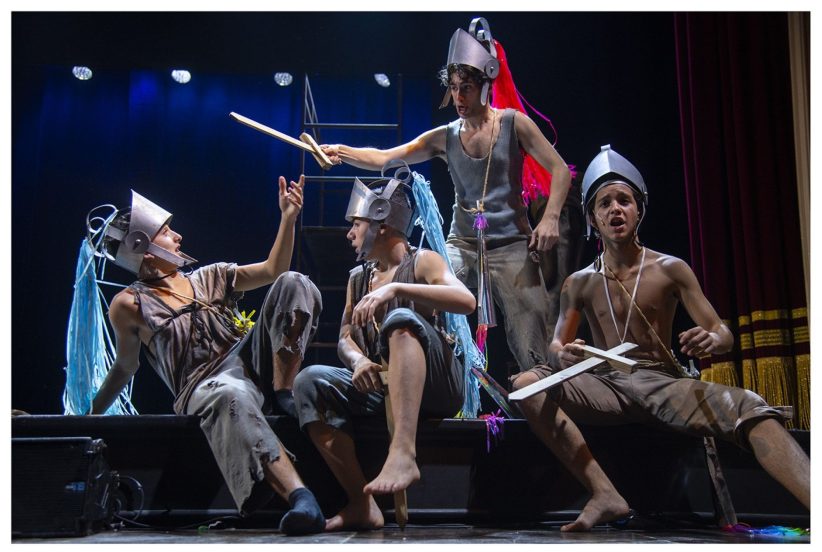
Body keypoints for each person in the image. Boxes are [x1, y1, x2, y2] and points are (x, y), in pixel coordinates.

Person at [511, 145, 810, 531]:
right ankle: (604, 493)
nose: (615, 209)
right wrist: (563, 356)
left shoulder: (671, 269)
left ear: (640, 209)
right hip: (606, 386)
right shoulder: (580, 282)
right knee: (527, 385)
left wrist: (715, 339)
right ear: (592, 218)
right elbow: (555, 346)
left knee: (751, 406)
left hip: (660, 382)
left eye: (624, 200)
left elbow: (722, 332)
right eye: (604, 204)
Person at [320, 17, 573, 376]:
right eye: (454, 87)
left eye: (467, 87)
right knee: (421, 288)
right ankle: (434, 373)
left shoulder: (514, 124)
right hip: (463, 243)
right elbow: (386, 157)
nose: (459, 97)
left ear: (485, 85)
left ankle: (538, 386)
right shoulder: (446, 136)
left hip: (511, 244)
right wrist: (339, 151)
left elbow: (560, 170)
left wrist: (549, 218)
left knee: (531, 324)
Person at [87, 177, 326, 535]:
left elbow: (272, 271)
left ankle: (282, 389)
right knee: (228, 393)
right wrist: (91, 415)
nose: (178, 237)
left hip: (246, 360)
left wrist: (288, 217)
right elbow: (126, 366)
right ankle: (301, 498)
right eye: (168, 232)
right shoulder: (129, 304)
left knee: (295, 282)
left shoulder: (209, 277)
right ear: (146, 249)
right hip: (204, 383)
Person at [292, 165, 476, 531]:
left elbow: (465, 300)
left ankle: (403, 453)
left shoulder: (422, 262)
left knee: (399, 320)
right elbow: (345, 335)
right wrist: (358, 360)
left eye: (356, 224)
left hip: (437, 387)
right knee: (310, 381)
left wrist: (396, 290)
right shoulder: (358, 279)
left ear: (383, 225)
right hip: (384, 387)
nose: (349, 233)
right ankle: (362, 503)